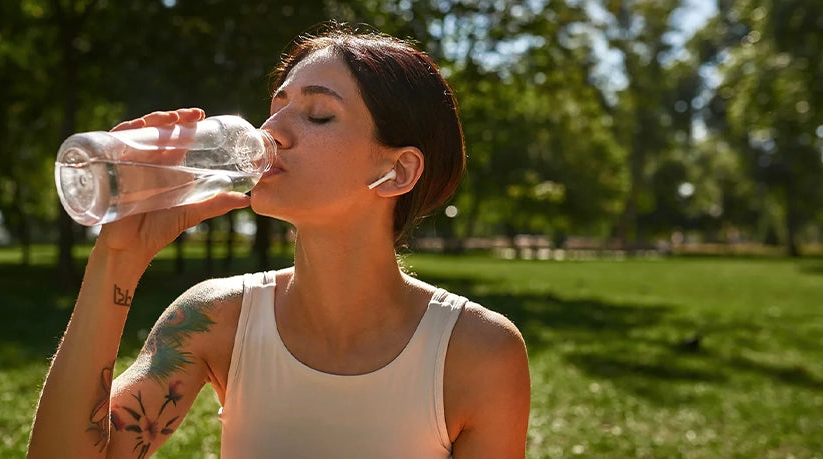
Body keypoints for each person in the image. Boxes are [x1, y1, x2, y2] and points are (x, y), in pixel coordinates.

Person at [28, 23, 530, 458]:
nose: (271, 132)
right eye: (277, 106)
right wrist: (117, 259)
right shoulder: (215, 318)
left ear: (397, 171)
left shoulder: (478, 353)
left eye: (317, 116)